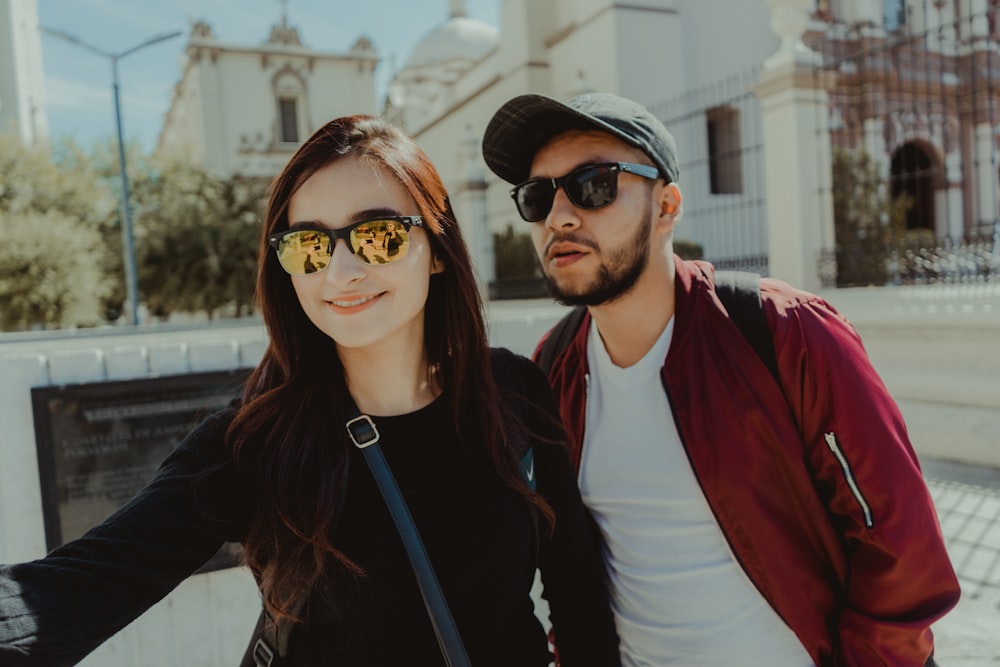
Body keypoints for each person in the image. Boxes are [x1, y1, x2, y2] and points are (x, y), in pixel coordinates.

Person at [0, 115, 621, 666]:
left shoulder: (515, 392)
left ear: (436, 249)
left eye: (378, 235)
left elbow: (577, 592)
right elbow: (77, 588)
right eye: (308, 244)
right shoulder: (256, 441)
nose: (341, 271)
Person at [481, 92, 961, 666]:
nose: (559, 216)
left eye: (594, 185)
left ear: (666, 207)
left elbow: (901, 549)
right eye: (537, 197)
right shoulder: (552, 367)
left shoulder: (785, 332)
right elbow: (573, 574)